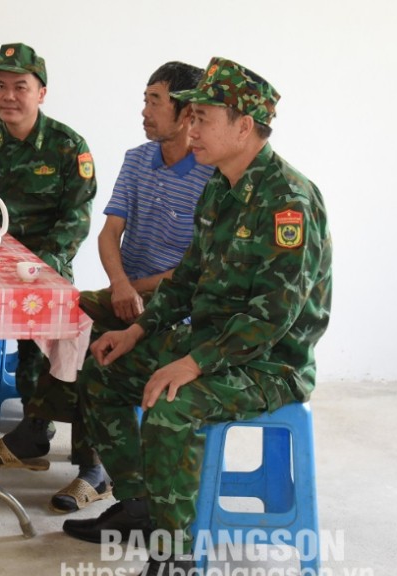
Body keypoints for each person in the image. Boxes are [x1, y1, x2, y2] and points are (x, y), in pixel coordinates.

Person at [61, 57, 332, 576]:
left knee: (171, 404)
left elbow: (273, 317)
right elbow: (187, 280)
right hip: (212, 347)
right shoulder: (220, 187)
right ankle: (143, 504)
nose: (191, 127)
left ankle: (175, 556)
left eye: (203, 118)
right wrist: (138, 330)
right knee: (103, 368)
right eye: (191, 117)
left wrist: (192, 363)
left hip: (270, 365)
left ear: (244, 126)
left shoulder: (288, 203)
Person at [49, 62, 214, 514]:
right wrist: (120, 285)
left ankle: (95, 472)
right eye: (145, 100)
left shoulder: (211, 175)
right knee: (65, 313)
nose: (144, 111)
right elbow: (109, 233)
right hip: (128, 291)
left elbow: (193, 269)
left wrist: (133, 290)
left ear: (186, 114)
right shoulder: (137, 159)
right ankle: (45, 433)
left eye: (154, 102)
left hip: (175, 305)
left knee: (102, 354)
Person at [0, 43, 97, 468]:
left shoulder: (68, 146)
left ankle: (37, 421)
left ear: (41, 93)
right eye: (0, 86)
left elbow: (77, 218)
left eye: (20, 87)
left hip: (42, 263)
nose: (8, 96)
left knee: (40, 336)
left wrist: (43, 264)